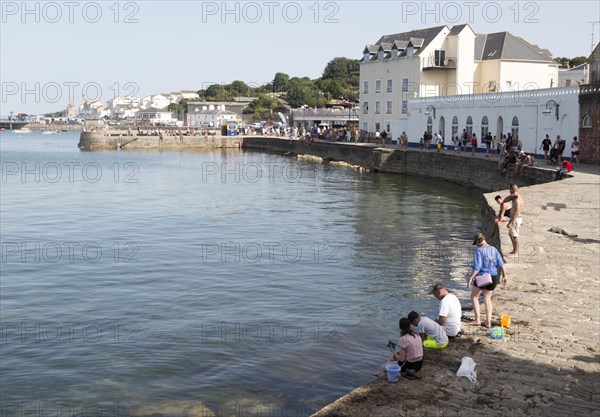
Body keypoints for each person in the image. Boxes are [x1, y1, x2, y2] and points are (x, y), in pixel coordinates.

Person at [466, 233, 507, 328]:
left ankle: (477, 320)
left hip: (482, 276)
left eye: (475, 243)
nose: (475, 245)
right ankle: (488, 322)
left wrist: (471, 277)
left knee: (474, 296)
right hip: (493, 276)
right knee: (487, 299)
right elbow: (501, 263)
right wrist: (504, 276)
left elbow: (478, 266)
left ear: (478, 241)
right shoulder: (494, 249)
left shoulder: (479, 251)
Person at [502, 184, 523, 258]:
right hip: (514, 218)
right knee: (510, 234)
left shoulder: (517, 199)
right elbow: (505, 200)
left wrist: (511, 222)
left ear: (511, 189)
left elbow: (517, 212)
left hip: (515, 219)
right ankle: (514, 250)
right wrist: (511, 196)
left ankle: (516, 253)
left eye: (509, 190)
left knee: (515, 236)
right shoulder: (514, 197)